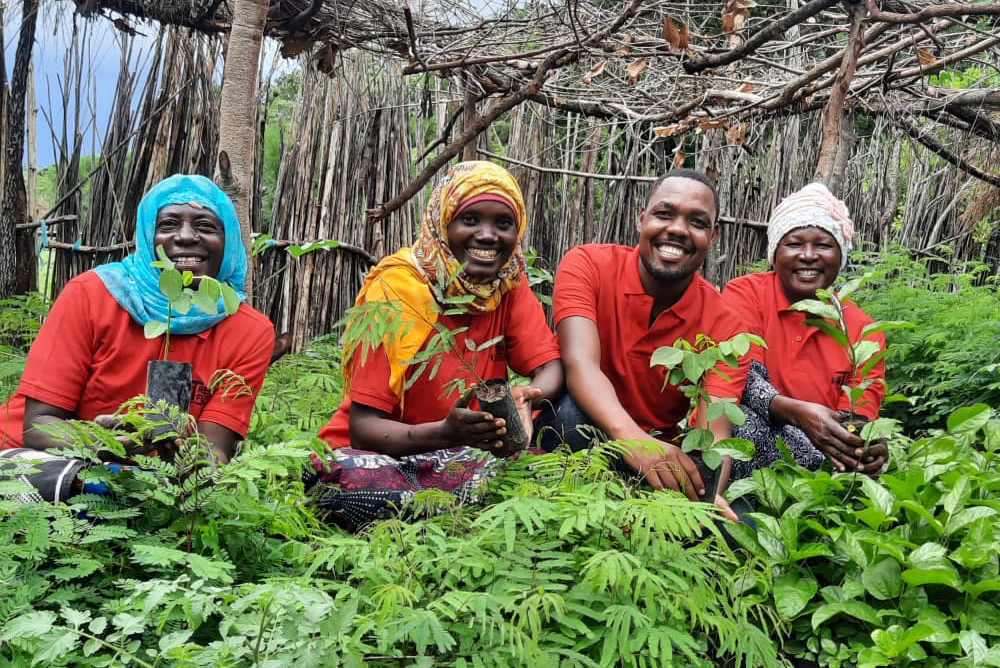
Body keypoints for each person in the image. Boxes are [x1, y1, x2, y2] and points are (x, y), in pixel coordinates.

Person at [312, 160, 563, 528]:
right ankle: (455, 511)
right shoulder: (396, 289)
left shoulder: (507, 283)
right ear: (443, 224)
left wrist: (530, 393)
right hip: (378, 455)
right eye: (471, 220)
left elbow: (551, 365)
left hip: (465, 454)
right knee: (356, 488)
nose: (488, 236)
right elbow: (364, 429)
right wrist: (446, 433)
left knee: (557, 477)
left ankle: (450, 509)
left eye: (503, 223)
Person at [0, 174, 275, 477]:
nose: (185, 236)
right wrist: (105, 443)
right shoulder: (91, 295)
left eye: (205, 226)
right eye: (168, 224)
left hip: (156, 481)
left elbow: (215, 446)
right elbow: (38, 425)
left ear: (230, 242)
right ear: (146, 237)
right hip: (39, 461)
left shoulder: (249, 331)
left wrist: (189, 463)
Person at [544, 168, 748, 520]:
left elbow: (713, 430)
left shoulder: (726, 322)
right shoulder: (587, 265)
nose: (678, 230)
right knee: (568, 416)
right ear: (642, 219)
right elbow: (580, 364)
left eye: (697, 222)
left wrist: (706, 494)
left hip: (660, 457)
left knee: (734, 521)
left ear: (713, 237)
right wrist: (632, 440)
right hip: (589, 432)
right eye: (664, 214)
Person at [722, 182, 887, 480]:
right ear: (775, 254)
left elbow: (858, 414)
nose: (808, 255)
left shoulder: (863, 329)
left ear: (841, 256)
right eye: (794, 244)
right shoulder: (746, 294)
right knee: (739, 423)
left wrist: (864, 444)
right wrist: (801, 416)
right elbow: (740, 379)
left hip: (824, 453)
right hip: (755, 438)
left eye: (823, 245)